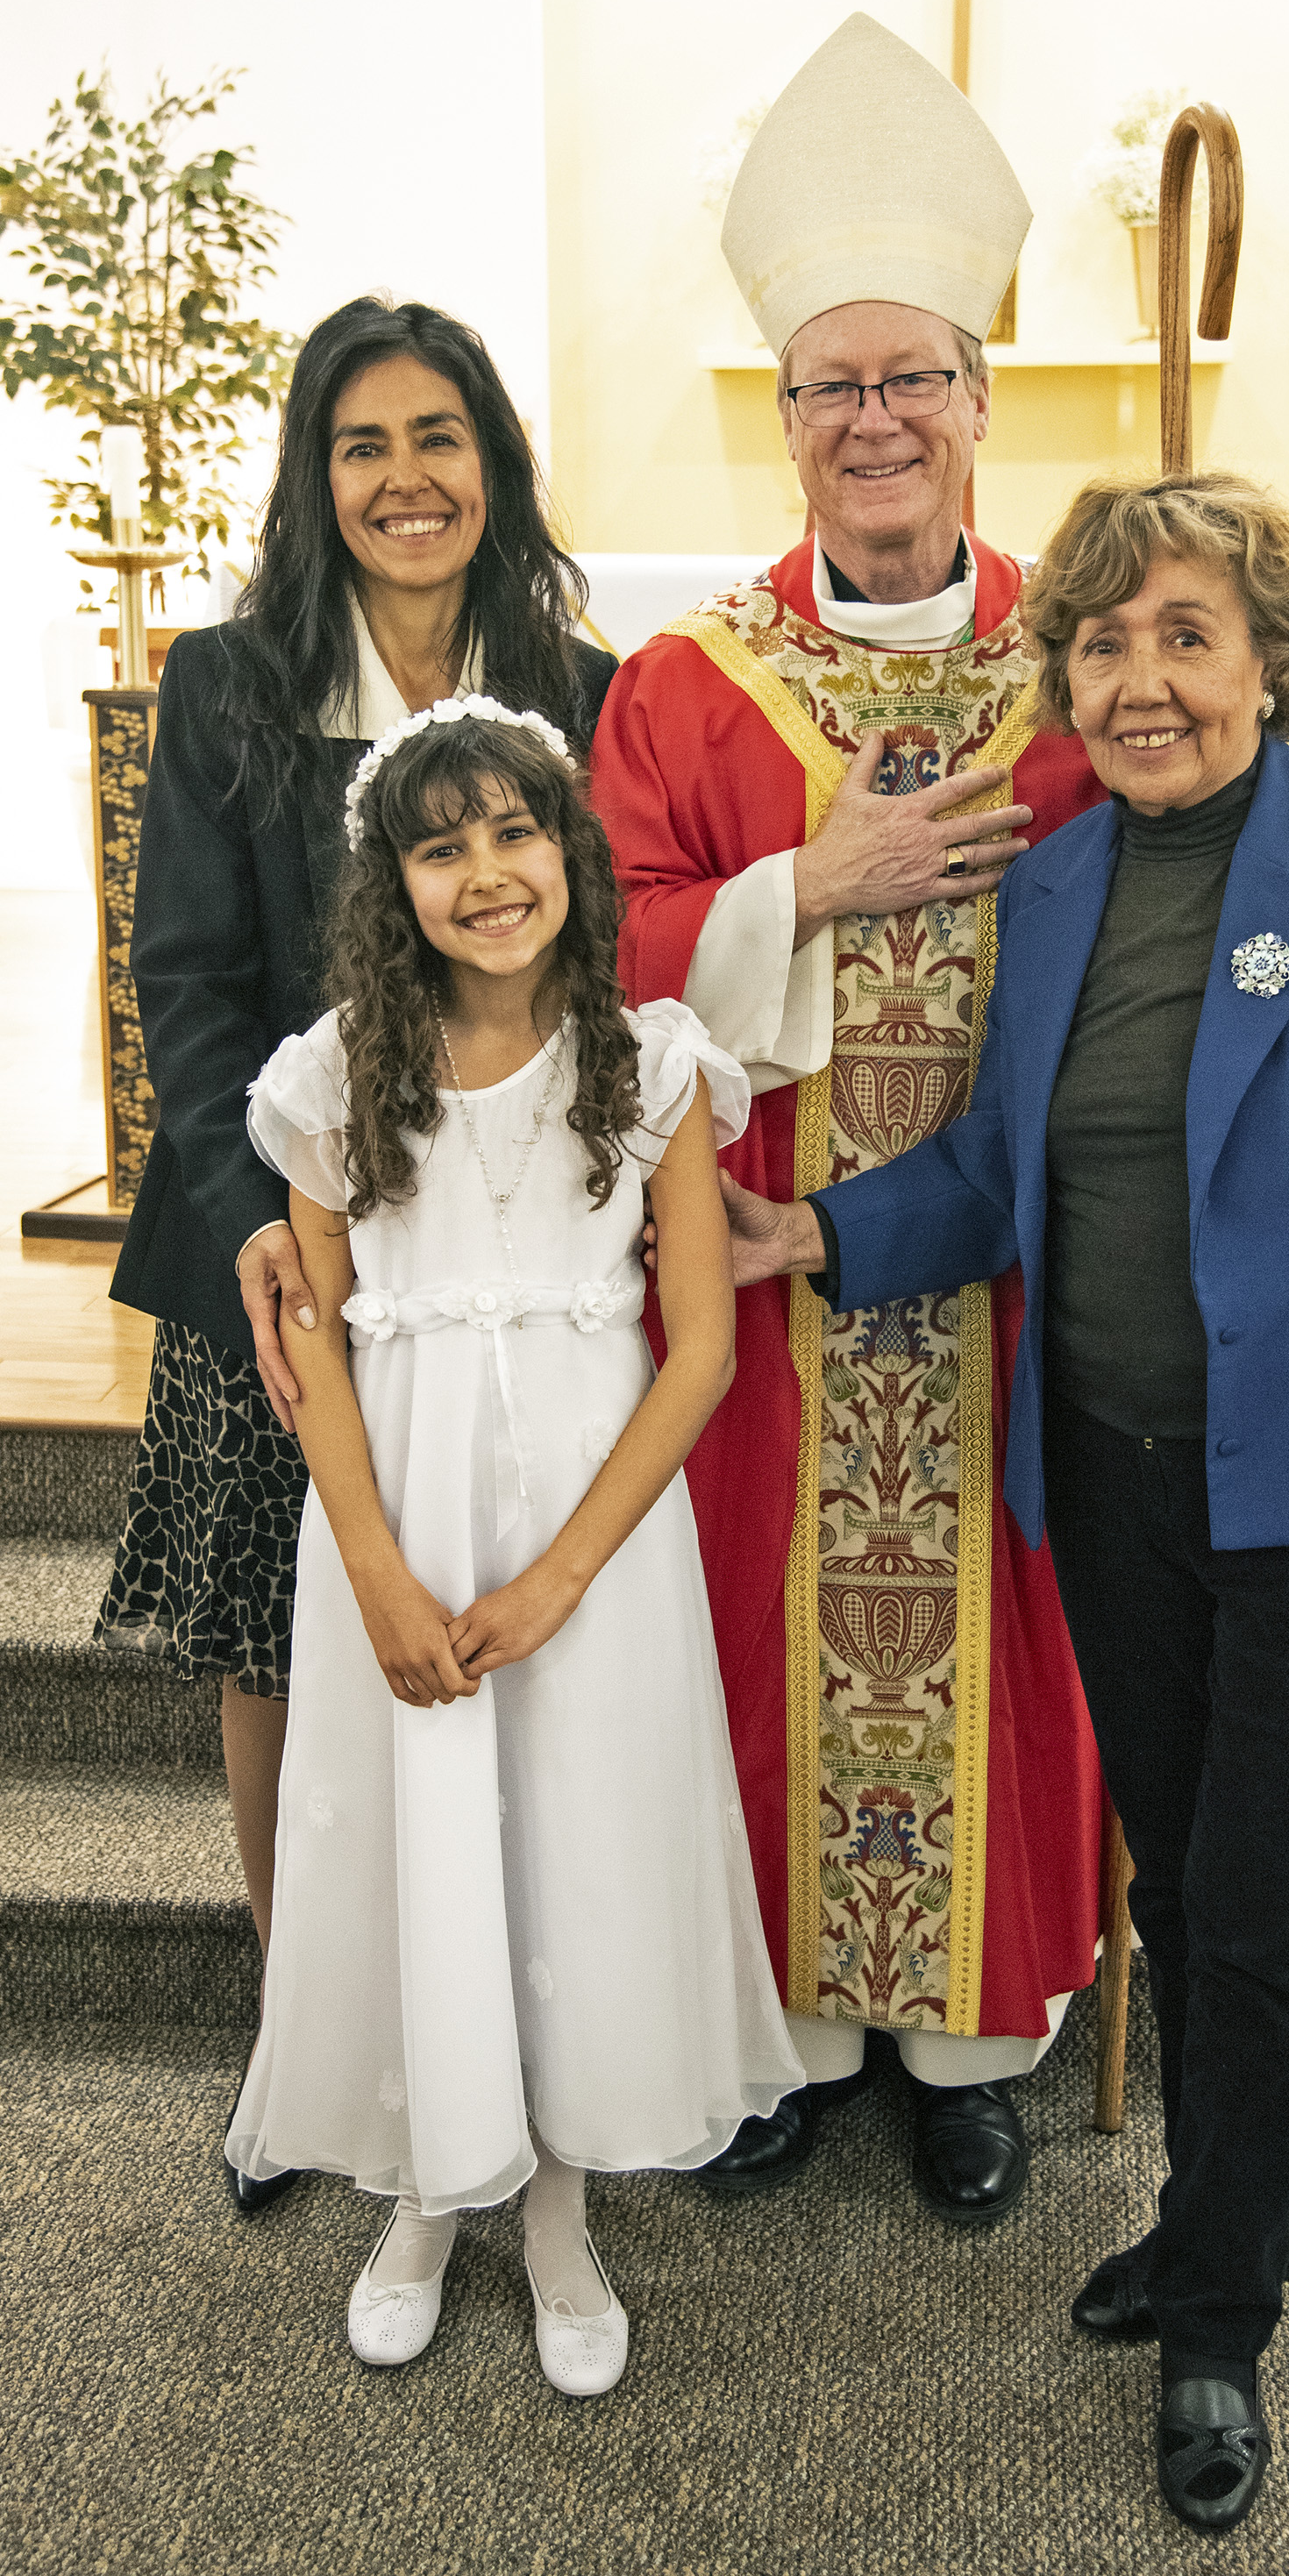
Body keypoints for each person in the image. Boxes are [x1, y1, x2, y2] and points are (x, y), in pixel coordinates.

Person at [715, 472, 1289, 2532]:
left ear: (1269, 657)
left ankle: (1219, 2331)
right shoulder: (1063, 886)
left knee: (1261, 1933)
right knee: (1173, 1885)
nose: (1138, 677)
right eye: (1099, 640)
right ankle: (1196, 2235)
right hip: (1103, 1478)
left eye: (1184, 635)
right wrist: (803, 1232)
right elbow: (1002, 1174)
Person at [594, 11, 1103, 2225]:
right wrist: (814, 886)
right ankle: (782, 2035)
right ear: (783, 419)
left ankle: (972, 2043)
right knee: (750, 1619)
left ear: (985, 405)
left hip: (1008, 1275)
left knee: (1006, 1608)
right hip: (766, 1273)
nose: (874, 420)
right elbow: (597, 945)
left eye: (915, 379)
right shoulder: (682, 685)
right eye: (833, 385)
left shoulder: (1093, 669)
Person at [95, 297, 617, 2212]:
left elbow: (608, 959)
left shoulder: (583, 672)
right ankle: (296, 2022)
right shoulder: (230, 680)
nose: (405, 480)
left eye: (438, 437)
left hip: (503, 1249)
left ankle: (520, 2019)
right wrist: (259, 1231)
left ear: (493, 460)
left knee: (493, 1615)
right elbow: (191, 990)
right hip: (285, 1255)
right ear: (317, 479)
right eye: (361, 445)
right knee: (275, 1632)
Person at [226, 703, 800, 2392]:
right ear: (390, 884)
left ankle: (555, 2213)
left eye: (513, 833)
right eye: (439, 845)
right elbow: (317, 1347)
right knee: (423, 1844)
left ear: (571, 849)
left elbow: (697, 1346)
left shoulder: (654, 1061)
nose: (485, 874)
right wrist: (383, 1576)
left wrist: (558, 1577)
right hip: (396, 1522)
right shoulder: (335, 1077)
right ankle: (421, 2190)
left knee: (568, 1848)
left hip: (592, 1546)